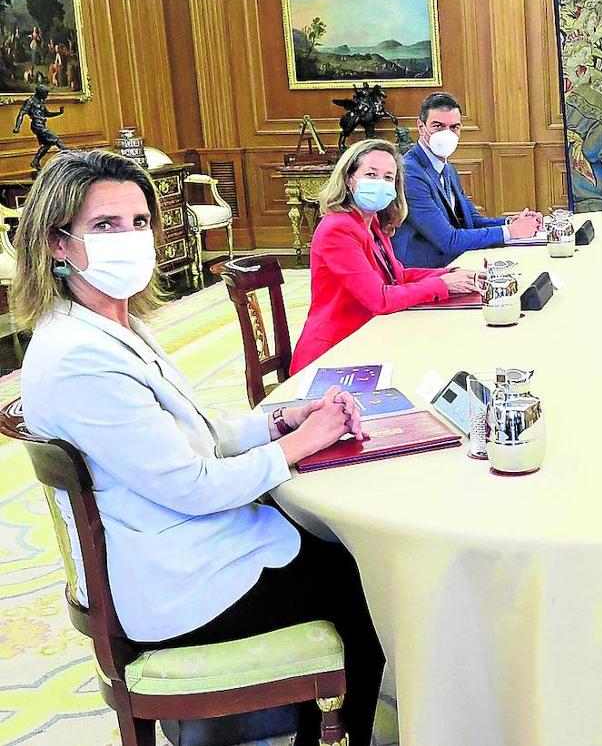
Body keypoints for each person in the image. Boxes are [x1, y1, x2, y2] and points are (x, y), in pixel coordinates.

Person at [12, 149, 383, 745]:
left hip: (183, 548)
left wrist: (281, 422)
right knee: (367, 584)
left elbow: (194, 432)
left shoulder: (110, 324)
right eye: (105, 225)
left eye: (139, 221)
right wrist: (300, 445)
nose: (130, 237)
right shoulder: (79, 359)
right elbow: (193, 486)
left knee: (338, 552)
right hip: (176, 585)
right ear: (58, 244)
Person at [291, 138, 481, 373]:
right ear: (349, 179)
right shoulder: (338, 228)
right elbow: (379, 299)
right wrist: (442, 285)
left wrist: (452, 274)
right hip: (334, 354)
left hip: (370, 338)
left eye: (388, 177)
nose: (380, 183)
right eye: (371, 174)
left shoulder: (372, 223)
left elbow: (397, 276)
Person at [392, 92, 541, 268]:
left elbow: (472, 221)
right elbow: (449, 240)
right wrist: (510, 232)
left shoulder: (448, 169)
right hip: (425, 272)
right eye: (438, 126)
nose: (447, 133)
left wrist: (512, 222)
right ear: (421, 127)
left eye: (454, 127)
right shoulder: (410, 173)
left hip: (456, 263)